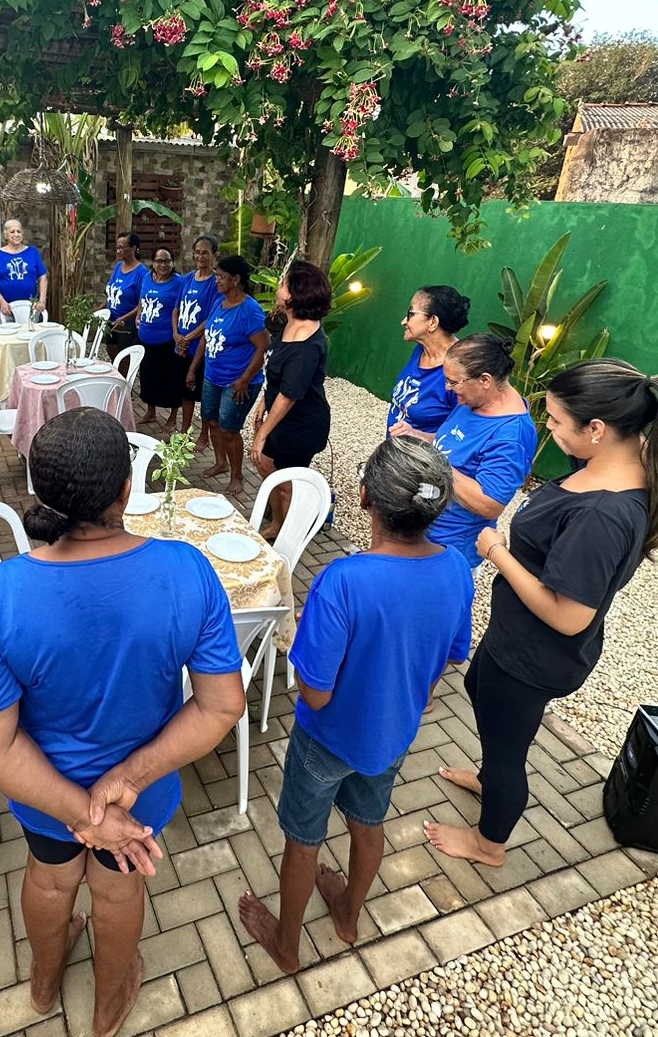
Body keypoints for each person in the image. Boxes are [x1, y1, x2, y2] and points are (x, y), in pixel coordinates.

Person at [0, 408, 245, 1037]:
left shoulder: (1, 592)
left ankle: (41, 986)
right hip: (141, 795)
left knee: (51, 881)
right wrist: (123, 787)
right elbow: (221, 705)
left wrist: (79, 813)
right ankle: (109, 1006)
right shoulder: (186, 570)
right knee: (117, 892)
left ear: (41, 492)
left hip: (41, 793)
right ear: (126, 489)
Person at [427, 359, 658, 868]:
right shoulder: (615, 463)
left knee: (508, 755)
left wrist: (497, 552)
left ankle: (489, 843)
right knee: (478, 689)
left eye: (558, 421)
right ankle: (489, 778)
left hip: (536, 653)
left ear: (597, 430)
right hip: (513, 635)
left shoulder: (603, 514)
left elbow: (570, 617)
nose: (548, 427)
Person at [239, 437, 471, 972]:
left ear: (364, 497)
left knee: (303, 840)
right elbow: (449, 656)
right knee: (369, 823)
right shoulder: (457, 567)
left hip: (326, 738)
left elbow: (315, 692)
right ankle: (347, 915)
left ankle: (287, 945)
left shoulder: (343, 581)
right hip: (393, 735)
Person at [396, 333, 538, 577]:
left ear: (485, 380)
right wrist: (419, 436)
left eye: (453, 382)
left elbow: (489, 504)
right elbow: (449, 442)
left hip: (449, 547)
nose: (447, 389)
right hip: (422, 529)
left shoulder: (511, 434)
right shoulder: (474, 401)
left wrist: (437, 463)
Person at [251, 260, 332, 541]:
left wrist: (262, 433)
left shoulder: (306, 344)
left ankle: (290, 534)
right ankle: (277, 523)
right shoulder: (289, 324)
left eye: (283, 283)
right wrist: (263, 400)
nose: (278, 287)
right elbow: (276, 375)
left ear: (294, 295)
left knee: (286, 482)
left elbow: (289, 395)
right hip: (279, 417)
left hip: (299, 426)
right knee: (267, 468)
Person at [187, 254, 269, 497]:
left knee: (229, 429)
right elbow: (206, 336)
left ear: (236, 279)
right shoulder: (219, 302)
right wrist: (193, 368)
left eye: (221, 277)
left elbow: (263, 346)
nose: (217, 281)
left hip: (238, 382)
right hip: (213, 377)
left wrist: (244, 380)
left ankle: (237, 475)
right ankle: (220, 461)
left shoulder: (249, 309)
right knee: (211, 420)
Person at [386, 285, 470, 437]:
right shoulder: (421, 349)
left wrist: (417, 435)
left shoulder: (461, 370)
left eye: (410, 314)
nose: (404, 321)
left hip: (422, 458)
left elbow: (460, 437)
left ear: (433, 322)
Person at [174, 236, 221, 443]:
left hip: (200, 347)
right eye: (197, 252)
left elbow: (211, 318)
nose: (200, 256)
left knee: (202, 394)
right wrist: (177, 335)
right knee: (185, 391)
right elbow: (177, 308)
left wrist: (188, 338)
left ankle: (203, 435)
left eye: (205, 252)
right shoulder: (188, 278)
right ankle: (184, 431)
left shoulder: (215, 283)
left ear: (214, 256)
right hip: (181, 345)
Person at [135, 247, 187, 427]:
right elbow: (142, 300)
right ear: (153, 263)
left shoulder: (180, 283)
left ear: (173, 263)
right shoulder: (147, 278)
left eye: (166, 261)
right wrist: (138, 315)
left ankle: (172, 419)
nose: (162, 265)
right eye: (158, 261)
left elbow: (181, 309)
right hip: (146, 338)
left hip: (167, 339)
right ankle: (151, 412)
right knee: (149, 377)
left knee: (171, 379)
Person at [0, 218, 48, 322]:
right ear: (5, 235)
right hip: (5, 307)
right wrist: (2, 302)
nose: (16, 234)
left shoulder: (32, 252)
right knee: (6, 337)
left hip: (30, 307)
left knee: (29, 336)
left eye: (19, 231)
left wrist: (42, 300)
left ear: (22, 234)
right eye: (12, 231)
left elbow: (42, 277)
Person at [102, 232, 146, 358]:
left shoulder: (141, 273)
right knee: (112, 352)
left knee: (124, 358)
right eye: (117, 247)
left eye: (122, 247)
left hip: (127, 325)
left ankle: (124, 378)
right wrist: (100, 309)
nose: (118, 251)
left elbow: (142, 303)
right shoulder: (118, 266)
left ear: (133, 249)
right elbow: (111, 293)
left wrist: (124, 318)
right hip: (111, 321)